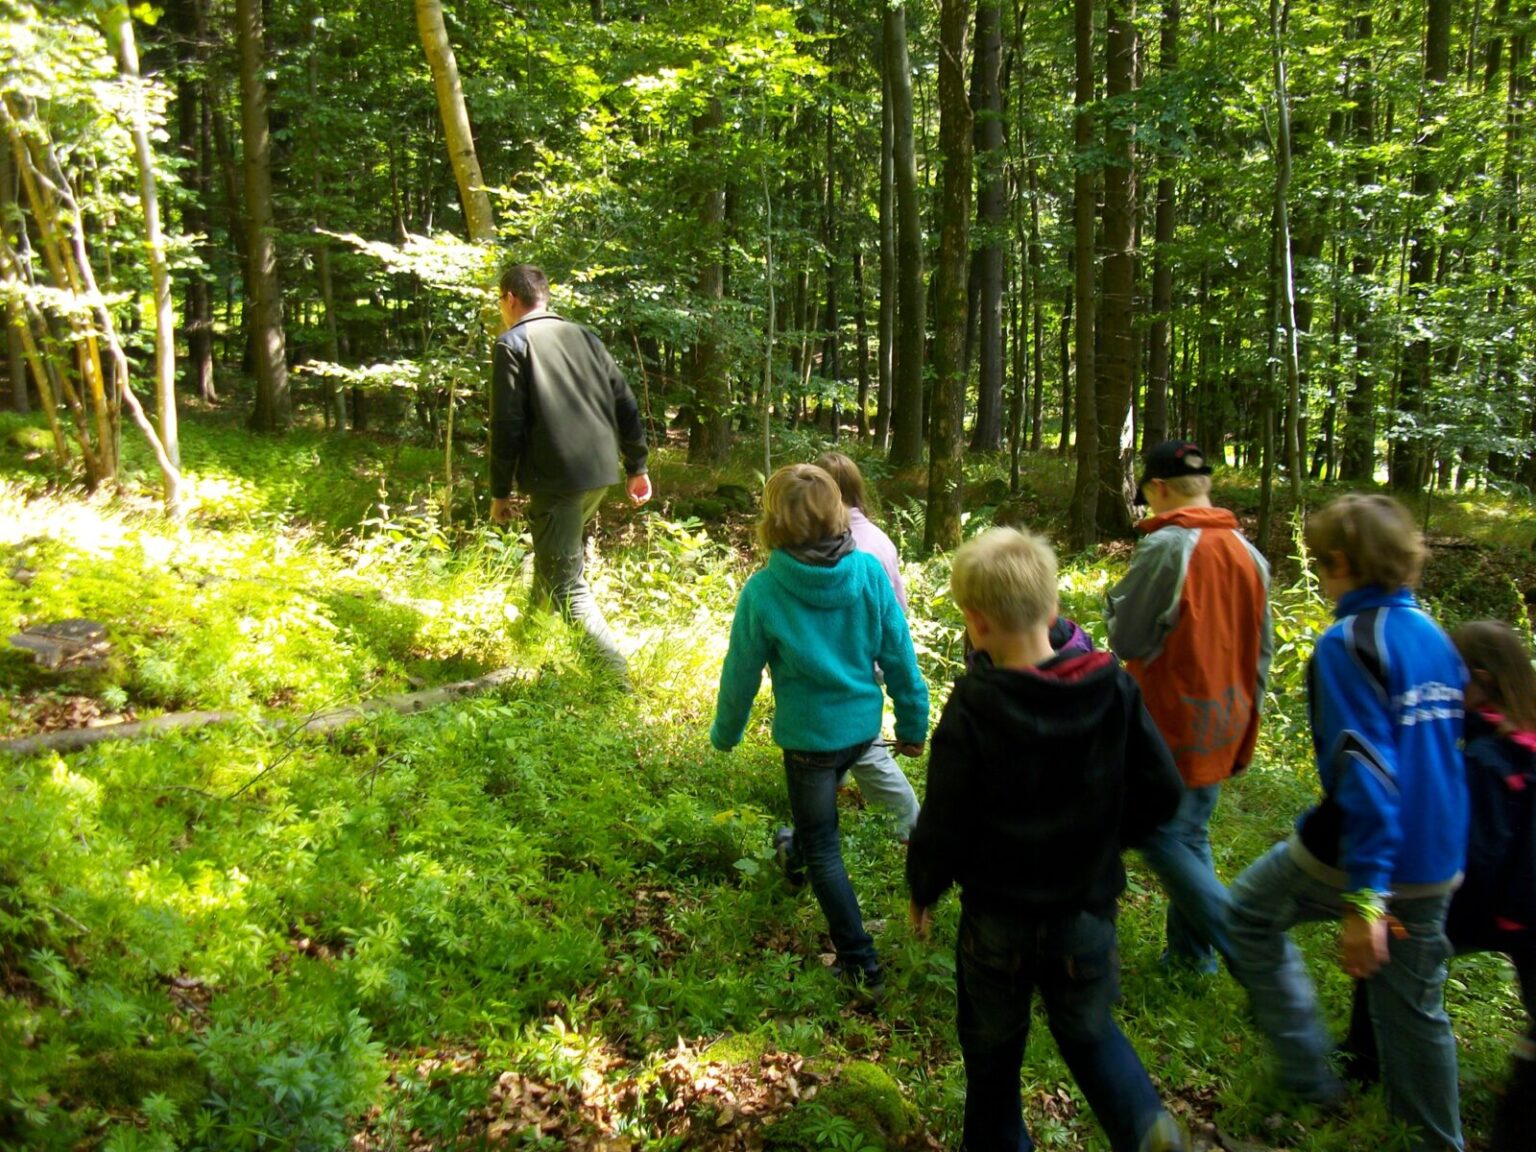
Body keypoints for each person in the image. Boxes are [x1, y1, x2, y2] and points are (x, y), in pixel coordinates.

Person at [908, 527, 1188, 1152]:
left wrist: (923, 886)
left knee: (992, 1049)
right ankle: (1144, 1125)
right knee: (1090, 1031)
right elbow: (1164, 790)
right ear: (1054, 609)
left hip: (998, 921)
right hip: (1084, 912)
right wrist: (1109, 844)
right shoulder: (1111, 684)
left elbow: (945, 814)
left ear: (976, 624)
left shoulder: (976, 700)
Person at [1227, 494, 1466, 1151]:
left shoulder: (1348, 644)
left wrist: (1365, 902)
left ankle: (1309, 1077)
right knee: (1414, 1011)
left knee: (1247, 913)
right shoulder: (1434, 637)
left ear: (1337, 562)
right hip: (1438, 860)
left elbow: (1370, 779)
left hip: (1364, 855)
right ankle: (1436, 1138)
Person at [710, 464, 929, 1001]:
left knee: (825, 846)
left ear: (773, 521)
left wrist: (726, 731)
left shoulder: (764, 590)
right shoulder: (869, 575)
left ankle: (859, 961)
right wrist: (913, 722)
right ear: (838, 512)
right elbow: (899, 655)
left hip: (809, 743)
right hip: (860, 729)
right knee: (812, 832)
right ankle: (793, 852)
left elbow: (741, 671)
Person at [1339, 619, 1536, 1151]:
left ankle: (1363, 1062)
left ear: (1480, 680)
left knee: (1388, 936)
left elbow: (1476, 851)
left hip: (1497, 900)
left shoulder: (1484, 758)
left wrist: (1396, 904)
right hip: (1524, 905)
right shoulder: (1520, 734)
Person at [1105, 439, 1272, 974]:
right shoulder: (1251, 555)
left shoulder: (1169, 548)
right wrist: (1249, 720)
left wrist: (1114, 605)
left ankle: (1248, 951)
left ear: (1157, 488)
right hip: (1225, 719)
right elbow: (1262, 652)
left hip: (1169, 724)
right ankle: (1190, 959)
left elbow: (1128, 639)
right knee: (1190, 831)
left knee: (1160, 836)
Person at [488, 264, 652, 683]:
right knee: (554, 560)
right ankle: (526, 642)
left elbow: (506, 423)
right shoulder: (586, 338)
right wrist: (636, 465)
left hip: (557, 479)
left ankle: (615, 679)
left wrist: (499, 491)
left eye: (500, 302)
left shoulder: (512, 343)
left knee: (566, 584)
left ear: (510, 298)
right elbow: (626, 403)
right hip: (599, 473)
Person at [813, 451, 920, 841]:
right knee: (839, 733)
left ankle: (912, 826)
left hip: (846, 661)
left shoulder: (829, 544)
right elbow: (899, 608)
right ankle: (834, 782)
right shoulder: (880, 538)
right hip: (871, 656)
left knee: (865, 746)